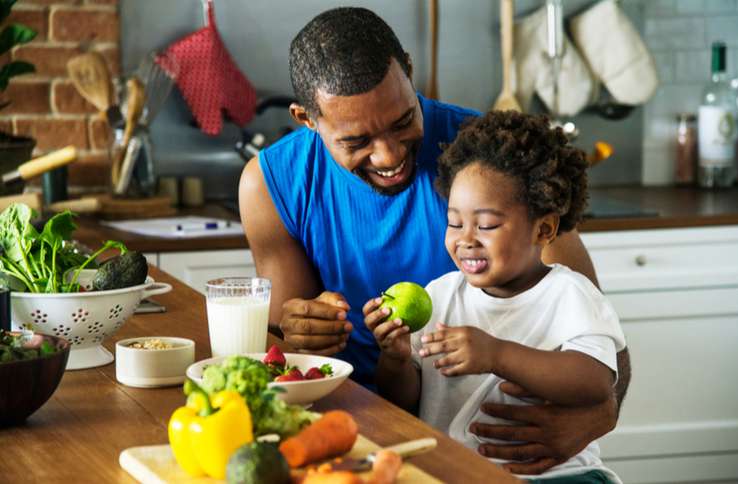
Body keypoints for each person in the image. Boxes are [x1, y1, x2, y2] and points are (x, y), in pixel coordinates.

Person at [238, 6, 631, 475]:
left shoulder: (487, 162)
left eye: (403, 121)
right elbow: (288, 354)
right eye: (357, 140)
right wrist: (300, 328)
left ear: (408, 69)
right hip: (346, 429)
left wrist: (598, 416)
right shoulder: (271, 183)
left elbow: (600, 336)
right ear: (307, 119)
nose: (389, 155)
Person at [364, 111, 625, 483]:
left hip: (556, 477)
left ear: (544, 228)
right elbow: (406, 402)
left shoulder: (569, 294)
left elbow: (596, 381)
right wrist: (395, 360)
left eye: (486, 225)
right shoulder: (440, 295)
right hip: (455, 473)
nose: (465, 238)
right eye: (455, 222)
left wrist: (497, 354)